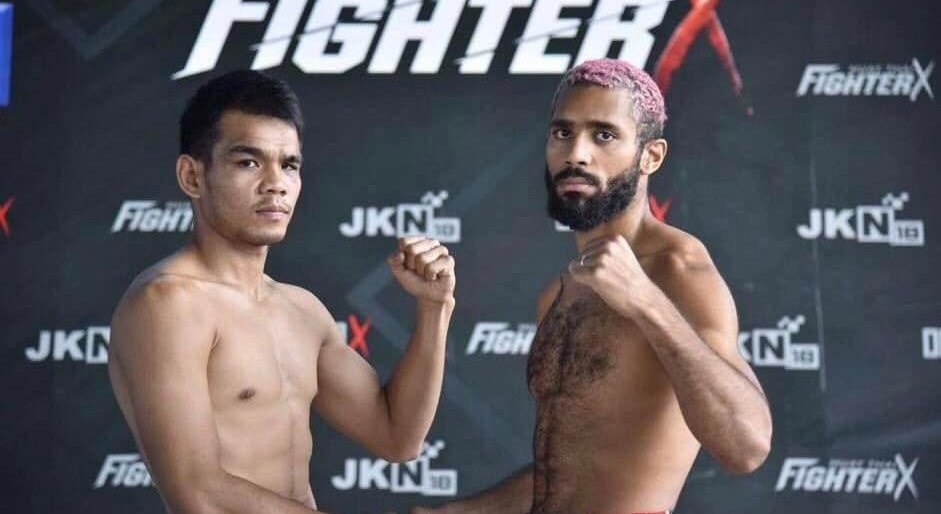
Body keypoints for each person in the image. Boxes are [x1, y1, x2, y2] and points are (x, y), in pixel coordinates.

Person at [412, 58, 771, 514]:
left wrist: (646, 304)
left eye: (604, 135)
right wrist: (458, 513)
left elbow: (748, 446)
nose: (576, 153)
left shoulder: (677, 270)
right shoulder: (562, 291)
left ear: (651, 156)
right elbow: (574, 468)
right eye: (563, 133)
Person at [108, 70, 456, 514]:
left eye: (289, 164)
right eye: (248, 162)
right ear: (192, 176)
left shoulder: (301, 309)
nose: (276, 182)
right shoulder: (168, 304)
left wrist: (433, 307)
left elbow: (398, 436)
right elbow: (198, 492)